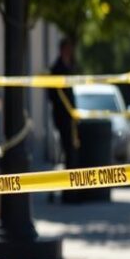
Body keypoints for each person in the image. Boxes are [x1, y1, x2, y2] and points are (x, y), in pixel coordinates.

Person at [48, 37, 77, 170]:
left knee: (71, 149)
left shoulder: (70, 66)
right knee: (66, 148)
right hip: (61, 115)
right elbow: (51, 94)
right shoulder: (57, 69)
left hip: (71, 115)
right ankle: (67, 186)